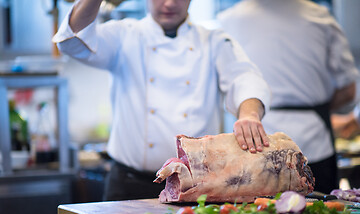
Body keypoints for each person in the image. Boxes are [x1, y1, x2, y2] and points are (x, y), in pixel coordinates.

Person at [53, 0, 271, 201]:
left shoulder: (213, 40)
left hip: (195, 186)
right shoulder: (124, 34)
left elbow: (244, 78)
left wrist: (250, 114)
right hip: (128, 184)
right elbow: (72, 40)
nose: (169, 3)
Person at [218, 0, 360, 194]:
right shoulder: (321, 16)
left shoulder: (226, 20)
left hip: (251, 147)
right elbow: (349, 91)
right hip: (312, 139)